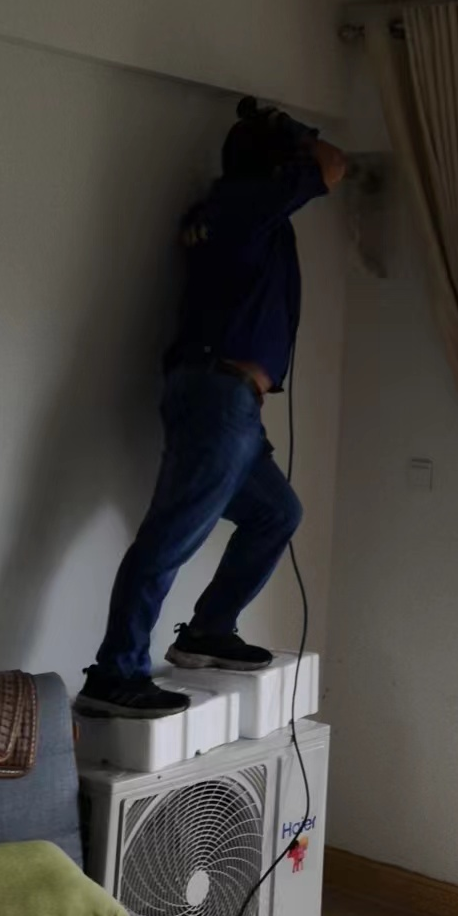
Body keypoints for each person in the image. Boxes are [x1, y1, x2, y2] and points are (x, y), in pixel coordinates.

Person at [76, 100, 346, 718]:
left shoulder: (217, 211)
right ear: (273, 168)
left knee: (277, 512)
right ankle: (116, 671)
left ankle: (208, 631)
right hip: (218, 397)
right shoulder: (249, 205)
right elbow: (335, 165)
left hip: (224, 398)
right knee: (169, 536)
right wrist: (294, 130)